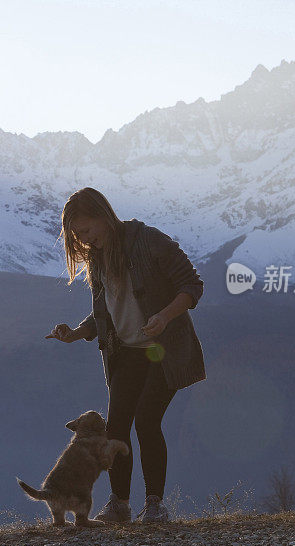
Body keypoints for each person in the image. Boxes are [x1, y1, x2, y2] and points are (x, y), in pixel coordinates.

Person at [45, 187, 206, 524]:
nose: (84, 240)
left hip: (163, 350)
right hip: (126, 354)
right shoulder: (98, 256)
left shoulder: (148, 240)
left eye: (87, 231)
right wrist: (75, 334)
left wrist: (163, 316)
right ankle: (119, 505)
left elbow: (191, 285)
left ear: (104, 217)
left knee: (147, 420)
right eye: (77, 235)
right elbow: (106, 314)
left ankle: (154, 505)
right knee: (115, 429)